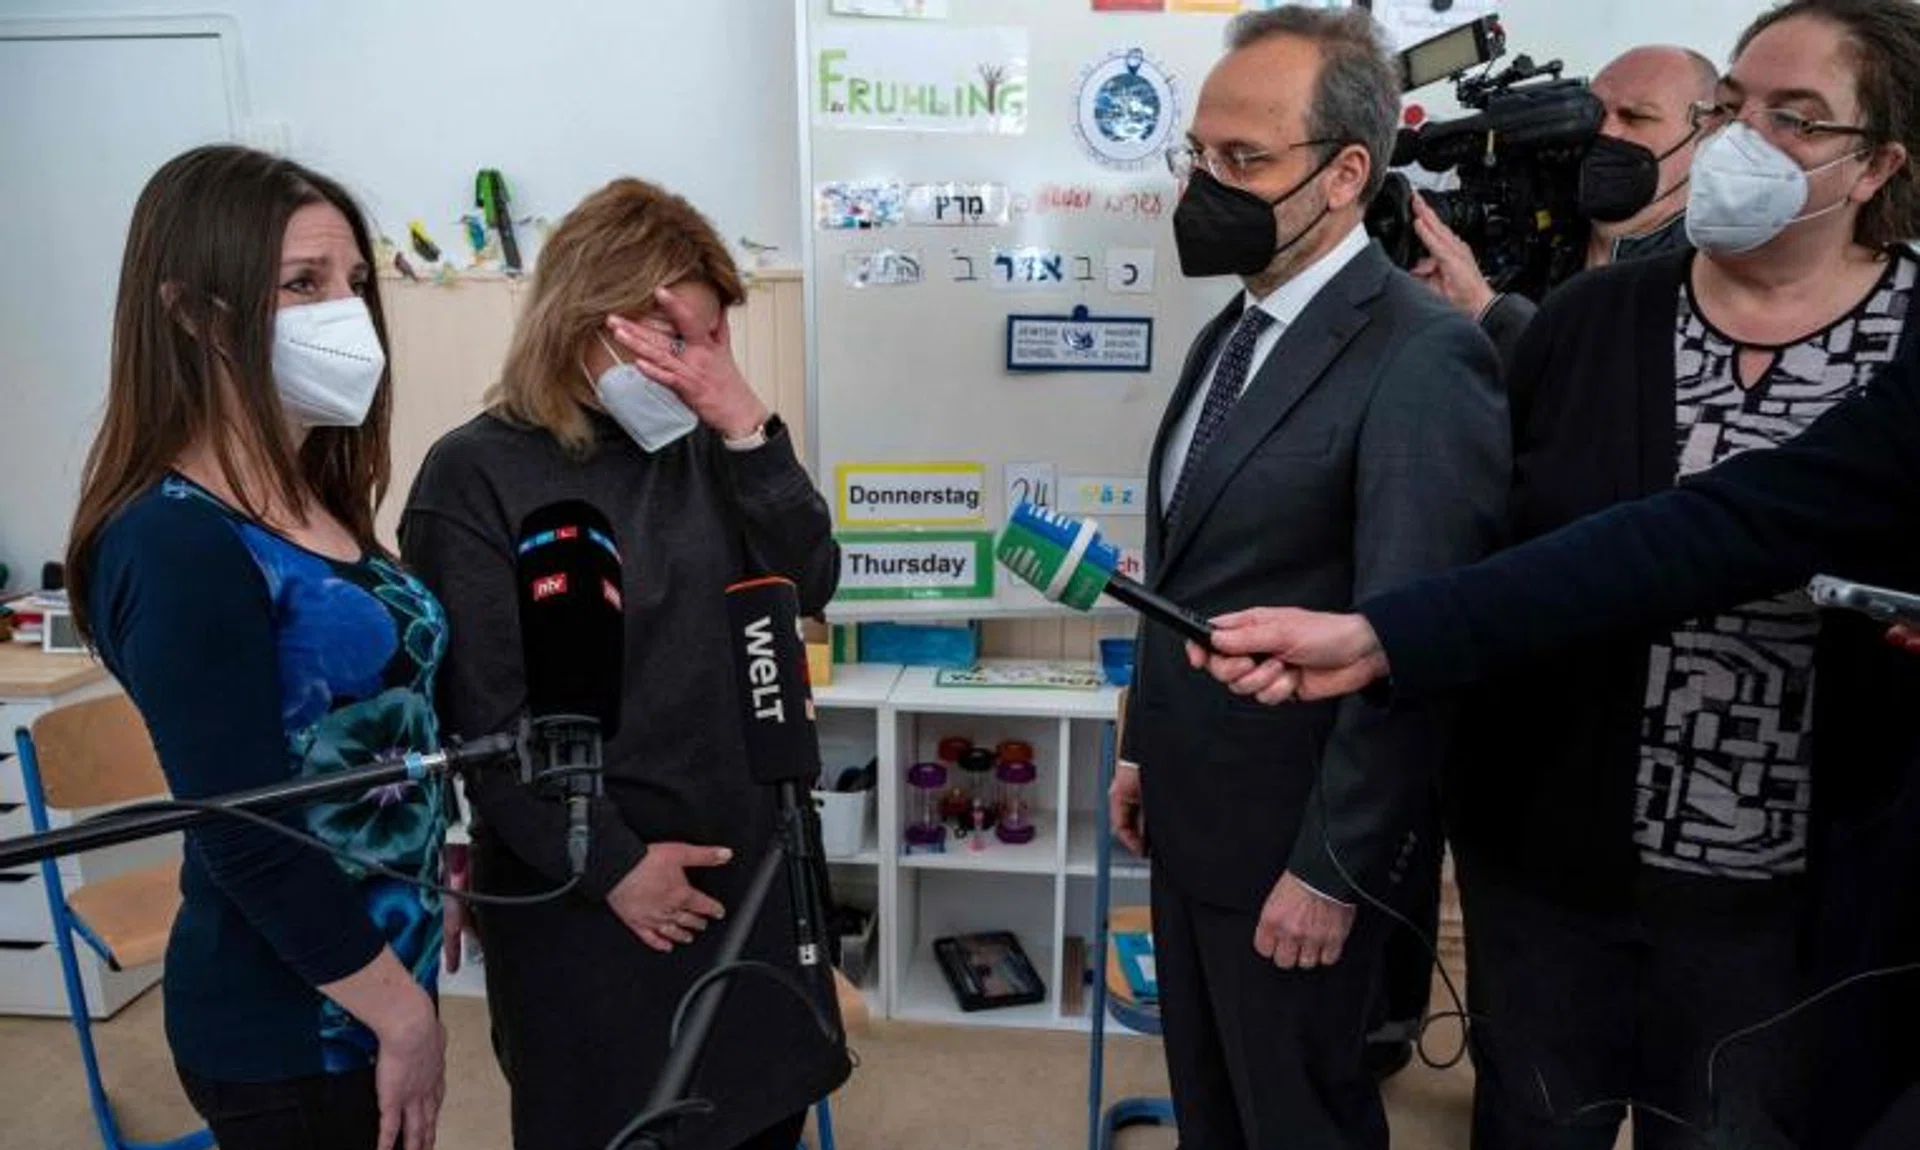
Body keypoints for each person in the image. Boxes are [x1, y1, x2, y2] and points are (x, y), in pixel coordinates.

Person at [1193, 311, 1920, 1150]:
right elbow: (1694, 534)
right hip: (1561, 874)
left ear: (1877, 172)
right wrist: (1381, 635)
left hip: (1791, 896)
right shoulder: (1597, 322)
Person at [1108, 6, 1509, 1146]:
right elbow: (1188, 564)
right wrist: (1146, 741)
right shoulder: (1231, 332)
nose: (1206, 183)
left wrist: (1333, 868)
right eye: (1198, 154)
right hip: (1192, 822)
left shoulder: (1425, 356)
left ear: (1344, 175)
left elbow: (1412, 646)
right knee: (1215, 1110)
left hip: (1299, 853)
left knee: (1299, 1120)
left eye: (1242, 160)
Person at [400, 177, 848, 1150]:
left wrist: (747, 424)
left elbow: (809, 579)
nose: (698, 367)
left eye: (715, 342)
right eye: (678, 340)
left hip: (747, 868)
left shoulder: (708, 445)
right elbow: (486, 718)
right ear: (587, 323)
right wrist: (614, 865)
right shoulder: (472, 475)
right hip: (591, 900)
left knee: (759, 1116)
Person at [64, 145, 449, 1150]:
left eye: (353, 284)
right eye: (302, 285)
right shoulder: (175, 538)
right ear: (196, 312)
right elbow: (244, 827)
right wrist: (401, 1013)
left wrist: (432, 872)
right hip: (293, 1018)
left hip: (372, 969)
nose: (346, 313)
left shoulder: (312, 497)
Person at [1413, 44, 1720, 366]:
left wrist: (1487, 310)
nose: (1606, 130)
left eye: (1636, 117)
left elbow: (1607, 394)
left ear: (1705, 135)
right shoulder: (1542, 235)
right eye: (1594, 113)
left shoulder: (1711, 279)